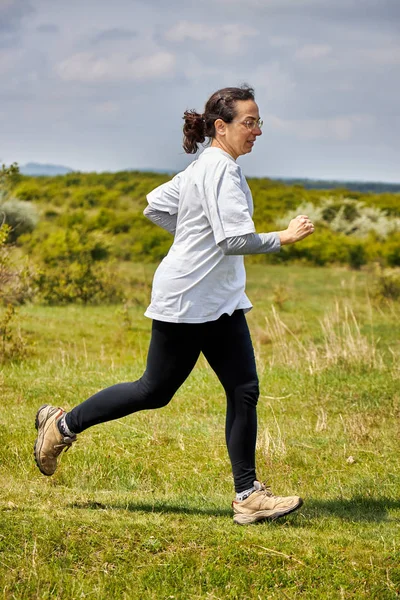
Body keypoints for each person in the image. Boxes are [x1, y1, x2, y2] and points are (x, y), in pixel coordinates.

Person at [34, 85, 314, 525]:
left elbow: (155, 207)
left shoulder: (208, 165)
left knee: (243, 389)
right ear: (220, 127)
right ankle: (61, 426)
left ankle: (248, 496)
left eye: (259, 121)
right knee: (154, 390)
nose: (258, 130)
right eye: (250, 122)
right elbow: (232, 239)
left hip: (219, 302)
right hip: (186, 300)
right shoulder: (218, 170)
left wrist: (191, 237)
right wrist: (284, 236)